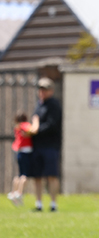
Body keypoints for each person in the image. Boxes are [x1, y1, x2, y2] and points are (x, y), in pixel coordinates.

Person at [30, 77, 62, 212]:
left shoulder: (54, 105)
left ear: (51, 91)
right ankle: (39, 203)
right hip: (37, 146)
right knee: (37, 176)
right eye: (40, 90)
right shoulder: (39, 105)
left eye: (45, 89)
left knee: (52, 175)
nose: (42, 92)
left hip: (50, 146)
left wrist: (36, 131)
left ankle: (53, 204)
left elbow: (52, 125)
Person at [7, 112, 33, 206]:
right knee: (25, 175)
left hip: (19, 152)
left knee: (19, 174)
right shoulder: (24, 125)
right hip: (26, 152)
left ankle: (13, 192)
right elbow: (30, 130)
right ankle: (19, 193)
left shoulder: (17, 127)